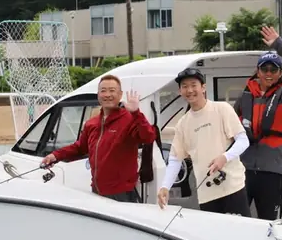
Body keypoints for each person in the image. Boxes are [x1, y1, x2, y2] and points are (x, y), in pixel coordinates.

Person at [233, 25, 282, 220]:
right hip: (243, 169)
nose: (269, 73)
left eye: (273, 69)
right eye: (264, 68)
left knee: (269, 221)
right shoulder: (244, 97)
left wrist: (279, 44)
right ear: (257, 71)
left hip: (271, 171)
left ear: (279, 73)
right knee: (237, 219)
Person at [40, 74, 156, 203]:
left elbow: (148, 137)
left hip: (121, 193)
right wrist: (55, 156)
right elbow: (80, 148)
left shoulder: (129, 119)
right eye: (103, 91)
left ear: (120, 94)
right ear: (98, 95)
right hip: (96, 191)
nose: (107, 95)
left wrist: (136, 113)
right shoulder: (92, 123)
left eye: (112, 91)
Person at [157, 67, 251, 216]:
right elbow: (175, 159)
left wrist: (224, 157)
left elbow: (243, 140)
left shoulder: (222, 109)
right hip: (206, 194)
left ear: (203, 88)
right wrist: (165, 187)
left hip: (233, 186)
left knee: (241, 233)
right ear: (180, 91)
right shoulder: (182, 124)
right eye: (185, 87)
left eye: (194, 85)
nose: (190, 90)